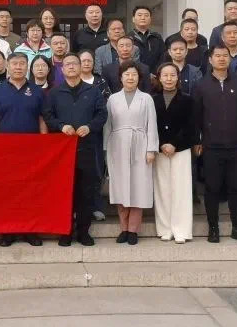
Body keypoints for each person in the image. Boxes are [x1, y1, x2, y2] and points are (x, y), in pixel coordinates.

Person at [43, 54, 106, 247]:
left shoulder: (93, 91)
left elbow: (102, 114)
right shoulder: (54, 93)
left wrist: (90, 126)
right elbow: (48, 115)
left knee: (86, 192)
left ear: (81, 67)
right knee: (64, 192)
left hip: (87, 148)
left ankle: (83, 232)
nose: (71, 67)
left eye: (74, 64)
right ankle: (66, 231)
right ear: (61, 70)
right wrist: (60, 126)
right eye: (67, 64)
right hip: (62, 151)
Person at [192, 44, 237, 244]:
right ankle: (213, 228)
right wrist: (197, 140)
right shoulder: (201, 85)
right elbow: (196, 116)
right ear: (210, 60)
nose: (221, 59)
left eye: (225, 55)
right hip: (211, 146)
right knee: (212, 188)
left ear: (230, 58)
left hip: (236, 145)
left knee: (236, 188)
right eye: (217, 56)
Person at [0, 53, 48, 247]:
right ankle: (8, 231)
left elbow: (42, 119)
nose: (18, 67)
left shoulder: (37, 91)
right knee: (7, 191)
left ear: (27, 66)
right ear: (7, 65)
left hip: (32, 150)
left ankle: (31, 231)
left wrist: (45, 143)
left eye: (22, 63)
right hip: (5, 151)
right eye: (14, 64)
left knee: (31, 191)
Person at [104, 61, 158, 245]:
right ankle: (124, 228)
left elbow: (152, 125)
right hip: (117, 146)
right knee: (120, 187)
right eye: (126, 74)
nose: (130, 77)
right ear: (120, 77)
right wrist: (106, 149)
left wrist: (151, 149)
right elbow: (108, 126)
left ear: (139, 78)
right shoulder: (112, 99)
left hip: (140, 145)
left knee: (138, 187)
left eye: (134, 74)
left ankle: (133, 230)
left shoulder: (146, 98)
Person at [151, 62, 195, 244]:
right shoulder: (152, 100)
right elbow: (150, 125)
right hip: (160, 150)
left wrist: (174, 144)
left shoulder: (188, 100)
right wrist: (162, 144)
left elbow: (191, 126)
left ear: (178, 78)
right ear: (159, 78)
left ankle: (181, 229)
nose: (169, 79)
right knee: (162, 189)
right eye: (165, 75)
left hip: (181, 149)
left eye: (172, 75)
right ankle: (165, 228)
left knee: (181, 189)